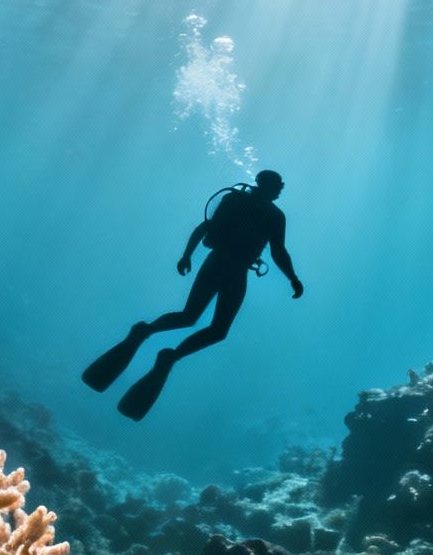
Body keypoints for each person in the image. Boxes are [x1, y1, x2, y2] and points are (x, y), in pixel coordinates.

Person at [82, 169, 304, 420]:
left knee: (201, 322)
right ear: (267, 185)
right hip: (226, 266)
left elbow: (207, 229)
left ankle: (154, 341)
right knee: (200, 322)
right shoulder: (269, 213)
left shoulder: (244, 204)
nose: (281, 190)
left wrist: (187, 254)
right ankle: (160, 347)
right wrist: (292, 278)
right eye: (279, 185)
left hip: (225, 266)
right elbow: (276, 251)